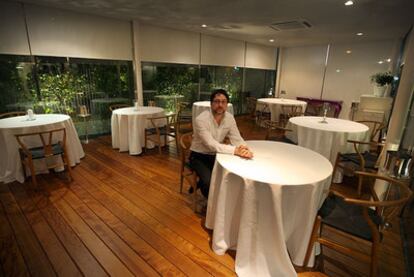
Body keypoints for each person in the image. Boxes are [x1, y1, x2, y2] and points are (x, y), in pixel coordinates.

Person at [190, 89, 253, 198]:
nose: (220, 105)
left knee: (234, 174)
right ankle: (211, 207)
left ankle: (220, 196)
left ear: (227, 104)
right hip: (199, 155)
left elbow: (236, 138)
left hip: (217, 154)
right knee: (209, 182)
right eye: (217, 101)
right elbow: (210, 144)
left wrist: (243, 148)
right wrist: (235, 150)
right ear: (211, 104)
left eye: (223, 102)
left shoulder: (229, 118)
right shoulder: (201, 119)